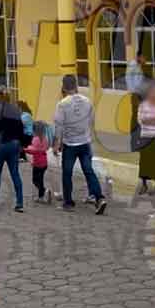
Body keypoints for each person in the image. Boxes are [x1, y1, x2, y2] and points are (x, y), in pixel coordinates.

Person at [54, 75, 107, 214]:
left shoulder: (62, 104)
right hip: (85, 142)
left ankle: (68, 203)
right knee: (89, 171)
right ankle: (99, 198)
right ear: (76, 85)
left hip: (70, 144)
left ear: (64, 87)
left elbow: (58, 126)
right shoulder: (87, 101)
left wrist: (56, 144)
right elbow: (91, 120)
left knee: (67, 173)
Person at [0, 87, 25, 212]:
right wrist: (20, 145)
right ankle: (19, 203)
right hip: (14, 145)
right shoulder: (16, 109)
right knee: (15, 174)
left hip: (1, 146)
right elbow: (20, 129)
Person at [25, 122, 51, 203]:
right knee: (40, 179)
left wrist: (25, 149)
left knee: (35, 180)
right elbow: (44, 149)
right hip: (44, 163)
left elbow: (34, 150)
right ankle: (41, 196)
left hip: (37, 164)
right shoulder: (45, 139)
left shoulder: (35, 139)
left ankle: (44, 191)